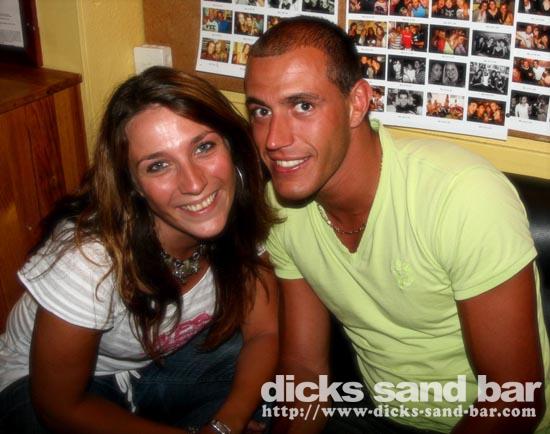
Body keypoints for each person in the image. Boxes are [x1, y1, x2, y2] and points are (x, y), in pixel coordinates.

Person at [244, 16, 550, 434]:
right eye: (261, 111)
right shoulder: (281, 208)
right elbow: (304, 368)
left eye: (303, 106)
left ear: (357, 103)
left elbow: (516, 397)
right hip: (377, 415)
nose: (273, 139)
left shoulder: (461, 195)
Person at [0, 67, 278, 434]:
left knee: (270, 386)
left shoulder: (237, 207)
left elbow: (263, 333)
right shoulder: (88, 258)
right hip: (43, 387)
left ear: (231, 145)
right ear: (132, 184)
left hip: (150, 370)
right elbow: (59, 406)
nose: (195, 183)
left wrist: (227, 423)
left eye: (204, 147)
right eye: (158, 166)